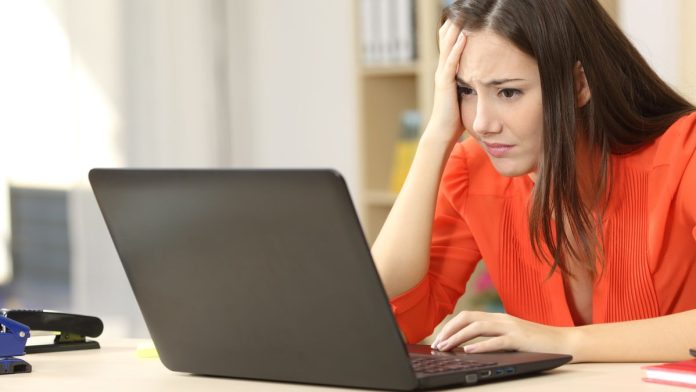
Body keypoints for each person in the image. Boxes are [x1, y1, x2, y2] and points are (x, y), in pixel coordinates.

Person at [371, 0, 696, 363]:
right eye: (466, 91)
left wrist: (561, 342)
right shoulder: (472, 171)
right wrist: (437, 135)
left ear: (579, 84)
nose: (481, 123)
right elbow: (386, 317)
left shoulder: (685, 154)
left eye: (508, 92)